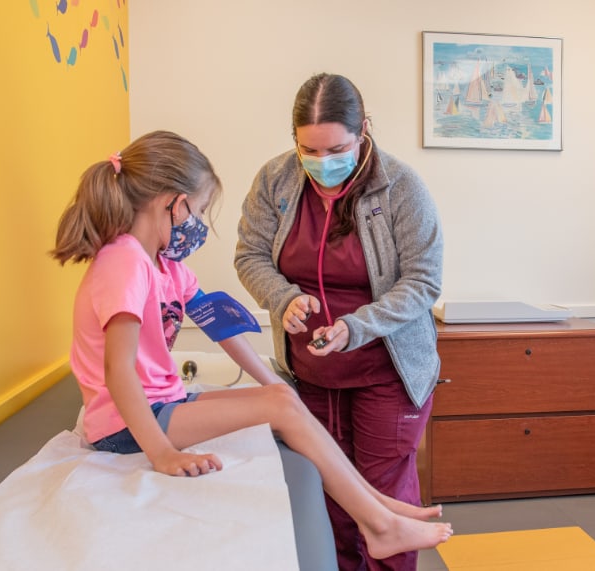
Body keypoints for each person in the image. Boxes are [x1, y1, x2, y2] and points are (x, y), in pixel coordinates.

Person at [51, 130, 451, 563]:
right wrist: (161, 453)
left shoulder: (163, 265)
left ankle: (373, 503)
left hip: (160, 405)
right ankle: (379, 523)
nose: (196, 224)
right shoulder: (124, 261)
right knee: (278, 405)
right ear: (173, 201)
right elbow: (118, 370)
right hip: (124, 426)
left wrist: (278, 389)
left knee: (280, 397)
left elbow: (219, 326)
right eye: (199, 210)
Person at [234, 74, 444, 571]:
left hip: (385, 371)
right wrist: (282, 297)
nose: (323, 162)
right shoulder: (275, 181)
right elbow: (250, 256)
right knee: (332, 496)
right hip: (312, 374)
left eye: (336, 148)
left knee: (383, 497)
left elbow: (423, 281)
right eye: (309, 149)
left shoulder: (401, 187)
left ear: (364, 129)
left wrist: (358, 326)